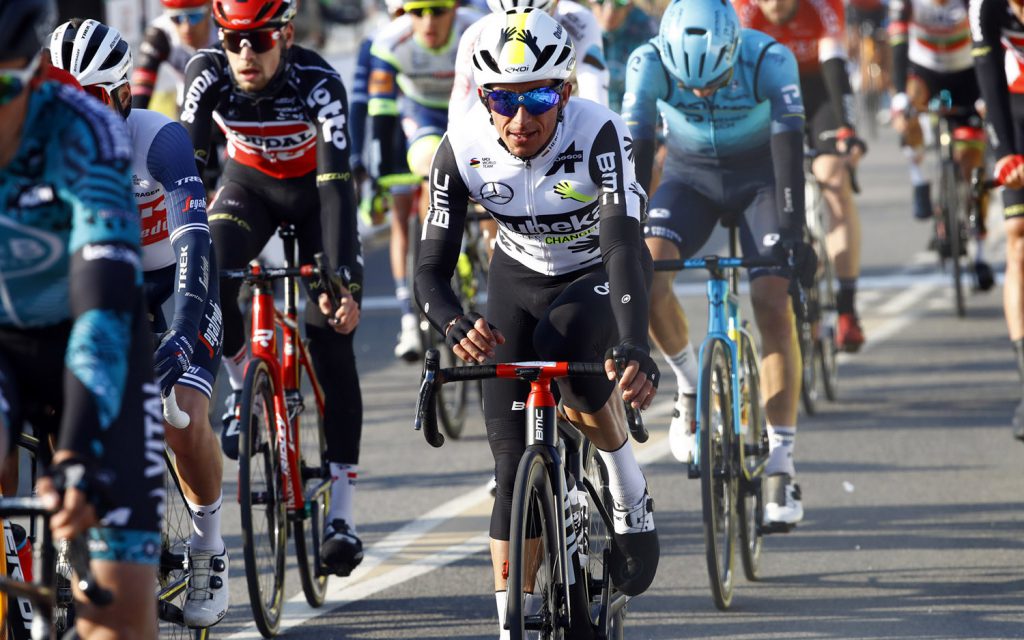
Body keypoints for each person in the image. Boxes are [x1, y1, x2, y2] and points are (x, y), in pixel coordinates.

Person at [415, 9, 660, 636]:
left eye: (540, 98)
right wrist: (452, 324)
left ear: (567, 92)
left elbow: (625, 246)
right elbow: (431, 271)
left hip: (595, 270)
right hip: (516, 276)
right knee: (508, 465)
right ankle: (511, 621)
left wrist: (633, 342)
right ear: (482, 95)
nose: (520, 120)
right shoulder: (462, 146)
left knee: (568, 355)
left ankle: (626, 483)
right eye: (502, 99)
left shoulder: (598, 131)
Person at [49, 17, 229, 627]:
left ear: (123, 95)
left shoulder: (160, 140)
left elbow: (195, 247)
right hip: (103, 286)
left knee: (183, 417)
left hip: (174, 283)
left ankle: (208, 545)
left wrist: (181, 333)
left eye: (91, 98)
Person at [180, 0, 367, 575]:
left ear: (285, 34)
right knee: (208, 271)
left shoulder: (318, 81)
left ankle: (342, 514)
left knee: (329, 334)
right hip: (248, 190)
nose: (244, 52)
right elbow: (189, 173)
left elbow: (337, 184)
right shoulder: (206, 72)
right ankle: (244, 381)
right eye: (232, 38)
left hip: (316, 197)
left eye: (258, 39)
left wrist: (339, 277)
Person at [0, 1, 163, 637]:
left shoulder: (84, 130)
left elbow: (103, 306)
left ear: (35, 73)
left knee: (116, 617)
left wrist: (75, 450)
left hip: (93, 341)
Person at [624, 0, 813, 524]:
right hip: (689, 178)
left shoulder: (768, 57)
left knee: (771, 298)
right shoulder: (648, 62)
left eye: (715, 81)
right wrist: (627, 229)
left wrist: (793, 234)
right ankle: (689, 385)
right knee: (647, 271)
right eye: (693, 87)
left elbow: (789, 145)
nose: (703, 93)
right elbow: (637, 149)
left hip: (762, 178)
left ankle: (780, 462)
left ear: (734, 49)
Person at [735, 0, 870, 352]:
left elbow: (835, 68)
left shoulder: (823, 7)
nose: (775, 4)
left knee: (834, 179)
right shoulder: (744, 11)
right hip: (765, 97)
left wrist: (848, 129)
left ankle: (846, 305)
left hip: (816, 92)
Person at [366, 0, 482, 361]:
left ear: (455, 8)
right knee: (427, 163)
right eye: (418, 12)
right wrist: (380, 175)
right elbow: (380, 110)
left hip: (472, 109)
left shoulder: (475, 29)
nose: (429, 21)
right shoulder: (390, 41)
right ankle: (451, 244)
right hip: (423, 115)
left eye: (438, 9)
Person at [889, 0, 993, 287]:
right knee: (906, 112)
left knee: (973, 168)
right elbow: (897, 40)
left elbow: (989, 36)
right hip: (925, 71)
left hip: (968, 74)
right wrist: (899, 94)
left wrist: (990, 92)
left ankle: (980, 251)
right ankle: (919, 179)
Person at [969, 0, 1024, 440]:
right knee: (1018, 238)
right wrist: (1005, 152)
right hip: (1018, 98)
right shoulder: (984, 6)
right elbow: (987, 72)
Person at [448, 0, 611, 121]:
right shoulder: (475, 34)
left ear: (556, 3)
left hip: (564, 116)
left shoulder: (580, 21)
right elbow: (461, 112)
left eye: (539, 18)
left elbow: (595, 93)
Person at [131, 0, 218, 113]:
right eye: (176, 18)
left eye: (194, 16)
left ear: (209, 10)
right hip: (188, 103)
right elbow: (142, 86)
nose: (186, 28)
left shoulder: (222, 28)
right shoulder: (160, 32)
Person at [590, 0, 656, 112]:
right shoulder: (569, 27)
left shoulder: (648, 33)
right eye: (600, 1)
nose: (609, 12)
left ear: (630, 4)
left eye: (619, 2)